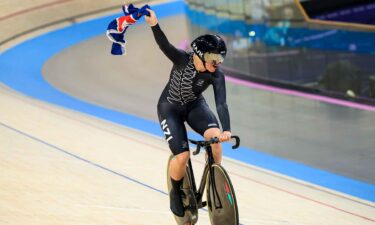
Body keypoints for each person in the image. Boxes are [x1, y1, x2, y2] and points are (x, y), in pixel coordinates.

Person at [145, 8, 232, 217]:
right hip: (170, 108)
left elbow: (221, 104)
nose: (217, 63)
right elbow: (163, 45)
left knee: (216, 143)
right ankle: (175, 192)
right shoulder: (182, 59)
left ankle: (214, 183)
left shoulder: (216, 76)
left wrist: (226, 129)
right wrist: (154, 24)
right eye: (213, 58)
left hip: (194, 106)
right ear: (200, 56)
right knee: (182, 156)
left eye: (220, 58)